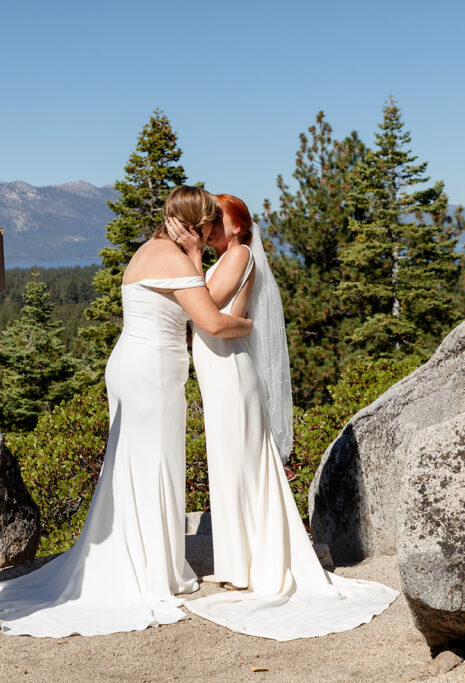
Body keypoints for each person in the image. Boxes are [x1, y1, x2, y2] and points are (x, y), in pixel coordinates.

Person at [0, 186, 251, 637]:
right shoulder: (175, 258)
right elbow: (211, 320)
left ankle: (147, 555)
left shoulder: (150, 250)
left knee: (138, 463)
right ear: (193, 224)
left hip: (137, 365)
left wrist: (192, 257)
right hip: (152, 372)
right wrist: (248, 324)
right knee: (153, 463)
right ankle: (149, 567)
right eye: (206, 227)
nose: (208, 236)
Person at [169, 194, 399, 641]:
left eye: (219, 220)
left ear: (238, 228)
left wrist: (191, 257)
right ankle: (237, 563)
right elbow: (229, 316)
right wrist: (231, 316)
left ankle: (253, 564)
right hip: (217, 372)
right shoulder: (228, 258)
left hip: (231, 373)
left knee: (240, 464)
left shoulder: (238, 256)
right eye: (208, 221)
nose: (211, 226)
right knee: (226, 464)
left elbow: (206, 304)